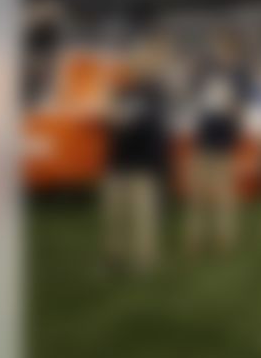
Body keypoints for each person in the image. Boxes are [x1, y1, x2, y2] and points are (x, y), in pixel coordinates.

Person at [101, 34, 172, 275]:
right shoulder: (121, 90)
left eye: (143, 62)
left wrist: (123, 120)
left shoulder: (157, 93)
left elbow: (153, 127)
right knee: (115, 215)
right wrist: (111, 115)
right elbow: (108, 121)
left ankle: (143, 260)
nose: (138, 65)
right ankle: (115, 256)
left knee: (143, 217)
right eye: (135, 61)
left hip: (144, 163)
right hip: (118, 161)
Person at [185, 31, 251, 255]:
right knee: (199, 193)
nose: (219, 53)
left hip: (223, 138)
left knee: (223, 194)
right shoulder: (207, 72)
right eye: (217, 48)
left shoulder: (241, 75)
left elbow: (240, 111)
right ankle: (196, 238)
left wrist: (231, 103)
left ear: (233, 50)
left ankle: (224, 239)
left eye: (223, 48)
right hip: (204, 135)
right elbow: (193, 95)